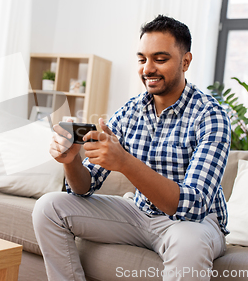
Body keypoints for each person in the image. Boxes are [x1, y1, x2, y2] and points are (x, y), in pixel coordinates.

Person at [32, 15, 231, 281]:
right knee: (49, 207)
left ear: (185, 61)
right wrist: (71, 160)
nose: (148, 69)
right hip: (139, 214)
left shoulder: (210, 116)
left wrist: (124, 162)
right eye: (142, 59)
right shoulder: (131, 110)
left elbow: (191, 207)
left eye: (160, 59)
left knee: (189, 244)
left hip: (192, 224)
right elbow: (83, 188)